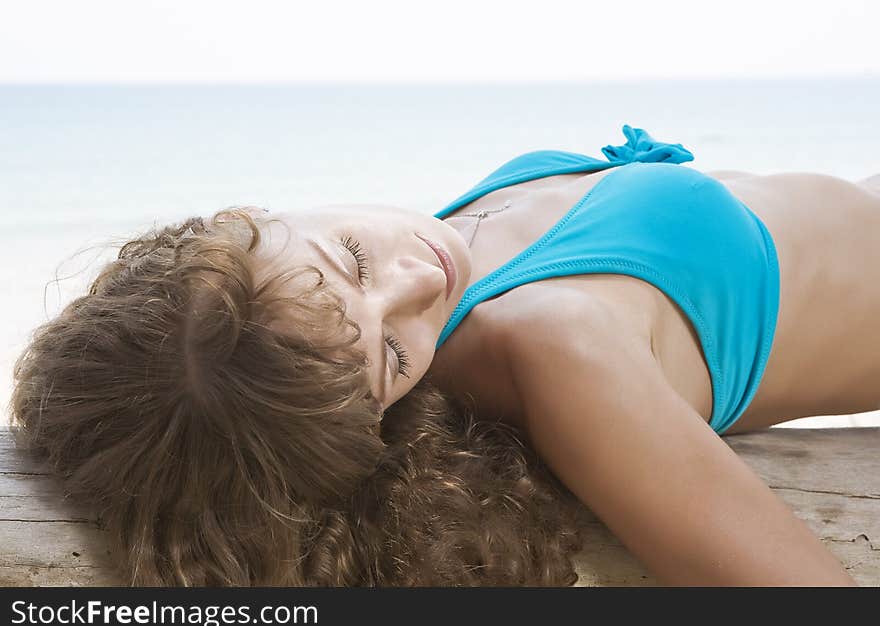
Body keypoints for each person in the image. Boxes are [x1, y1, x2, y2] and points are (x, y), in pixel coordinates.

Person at [11, 125, 878, 586]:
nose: (416, 284)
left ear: (244, 220)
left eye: (349, 257)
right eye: (393, 354)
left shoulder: (432, 257)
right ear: (375, 414)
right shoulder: (552, 346)